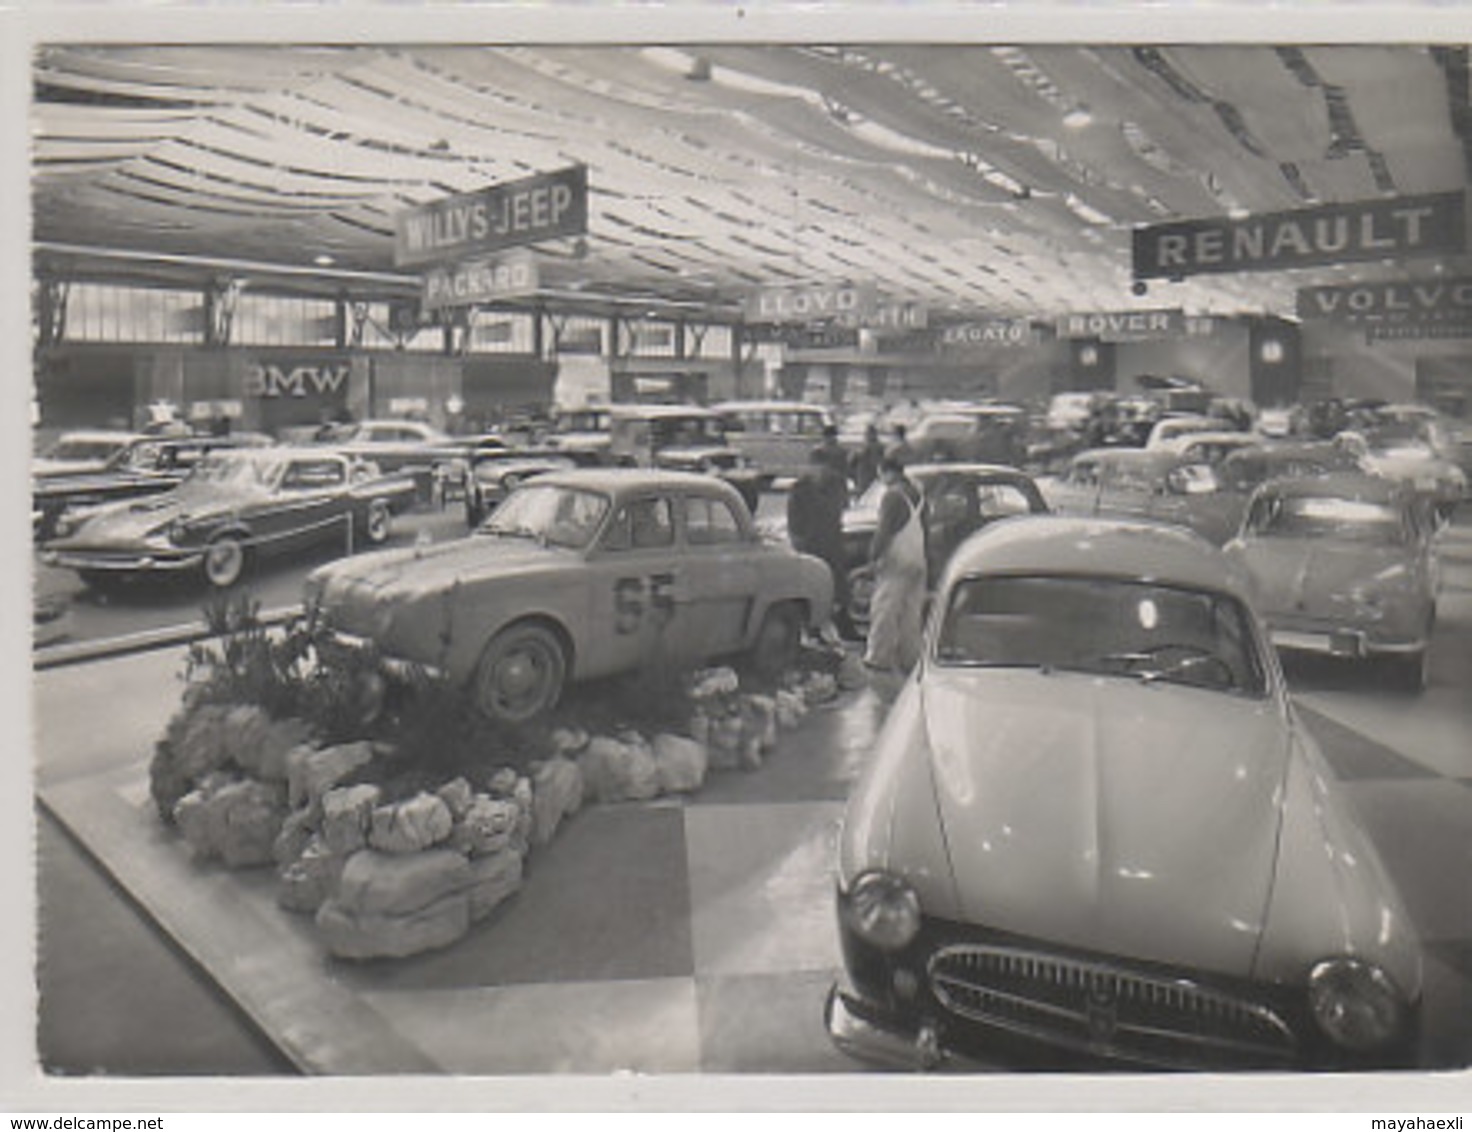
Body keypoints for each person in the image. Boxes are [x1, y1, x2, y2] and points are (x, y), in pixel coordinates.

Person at [864, 454, 927, 674]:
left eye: (881, 475)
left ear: (887, 472)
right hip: (918, 558)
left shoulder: (892, 496)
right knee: (911, 612)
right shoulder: (918, 494)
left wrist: (873, 556)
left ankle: (879, 657)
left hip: (897, 561)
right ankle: (910, 658)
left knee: (885, 608)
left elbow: (884, 531)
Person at [786, 447, 854, 637]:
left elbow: (841, 507)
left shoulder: (836, 483)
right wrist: (798, 540)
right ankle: (812, 630)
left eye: (823, 467)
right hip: (810, 544)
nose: (819, 471)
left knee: (839, 587)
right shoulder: (800, 488)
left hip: (831, 540)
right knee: (812, 587)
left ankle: (843, 624)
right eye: (816, 467)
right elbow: (793, 518)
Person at [850, 423, 884, 494]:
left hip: (865, 476)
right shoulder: (880, 447)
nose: (865, 436)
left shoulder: (866, 448)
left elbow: (852, 460)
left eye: (867, 434)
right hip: (874, 477)